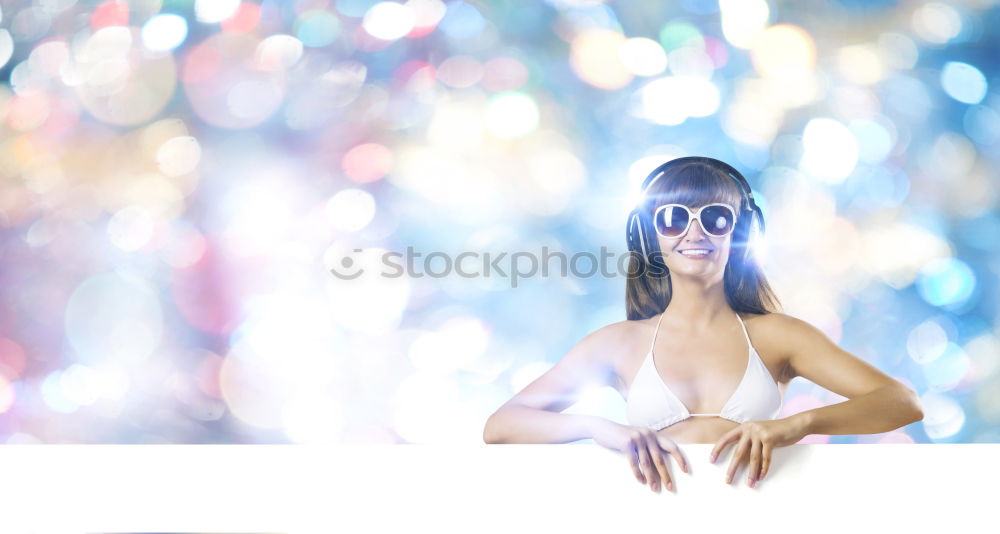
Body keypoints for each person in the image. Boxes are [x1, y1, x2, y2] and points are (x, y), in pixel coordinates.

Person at [482, 156, 923, 494]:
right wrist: (597, 427)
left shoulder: (777, 336)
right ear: (649, 235)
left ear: (738, 231)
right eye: (674, 217)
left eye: (715, 217)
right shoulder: (619, 344)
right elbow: (501, 426)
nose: (695, 233)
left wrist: (797, 425)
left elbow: (901, 402)